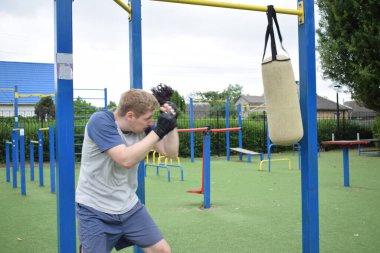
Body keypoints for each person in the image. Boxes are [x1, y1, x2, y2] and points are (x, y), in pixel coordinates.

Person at [75, 89, 179, 253]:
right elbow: (125, 160)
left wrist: (171, 125)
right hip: (95, 209)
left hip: (128, 206)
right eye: (147, 118)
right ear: (130, 116)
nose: (151, 122)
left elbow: (170, 152)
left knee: (162, 250)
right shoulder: (100, 121)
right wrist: (159, 131)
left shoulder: (142, 128)